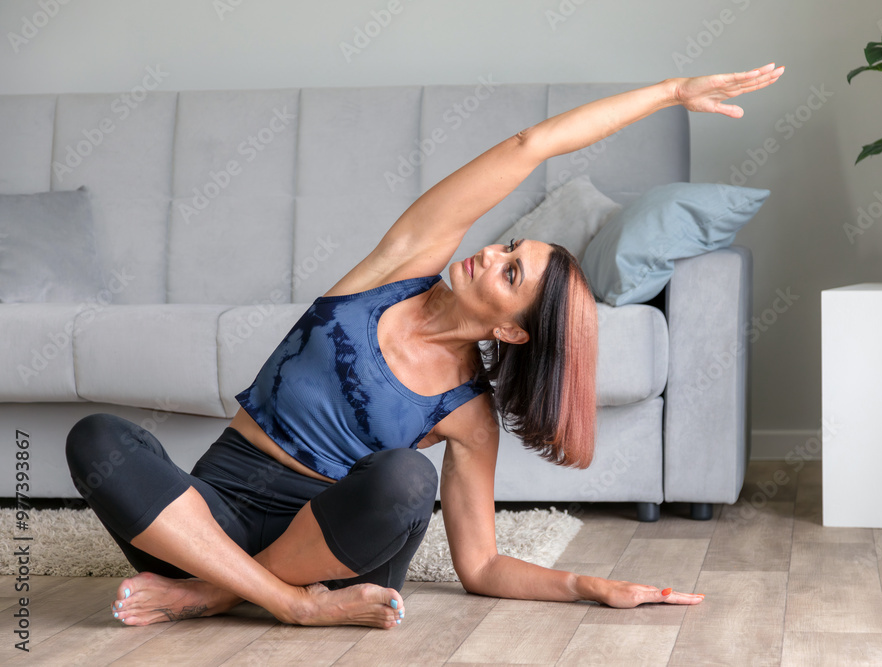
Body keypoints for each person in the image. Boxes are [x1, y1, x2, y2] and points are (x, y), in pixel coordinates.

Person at [65, 63, 784, 628]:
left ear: (511, 330)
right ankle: (279, 602)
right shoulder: (397, 271)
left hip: (327, 544)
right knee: (98, 440)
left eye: (510, 274)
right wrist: (669, 92)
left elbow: (482, 566)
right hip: (211, 512)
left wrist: (586, 585)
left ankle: (213, 591)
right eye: (510, 246)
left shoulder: (466, 413)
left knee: (407, 478)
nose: (491, 254)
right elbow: (529, 147)